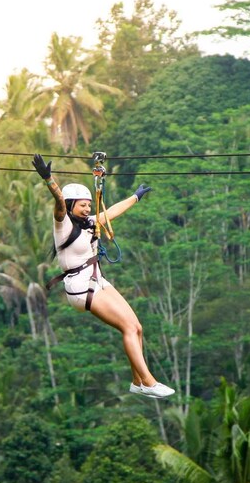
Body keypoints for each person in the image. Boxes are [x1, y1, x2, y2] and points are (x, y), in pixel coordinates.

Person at [32, 153, 175, 399]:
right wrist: (48, 178)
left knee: (137, 327)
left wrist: (135, 197)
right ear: (70, 205)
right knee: (128, 327)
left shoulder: (88, 222)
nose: (87, 208)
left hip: (96, 279)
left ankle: (137, 381)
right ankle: (149, 382)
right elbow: (57, 199)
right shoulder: (62, 223)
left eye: (89, 204)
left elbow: (112, 212)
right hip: (81, 288)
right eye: (82, 204)